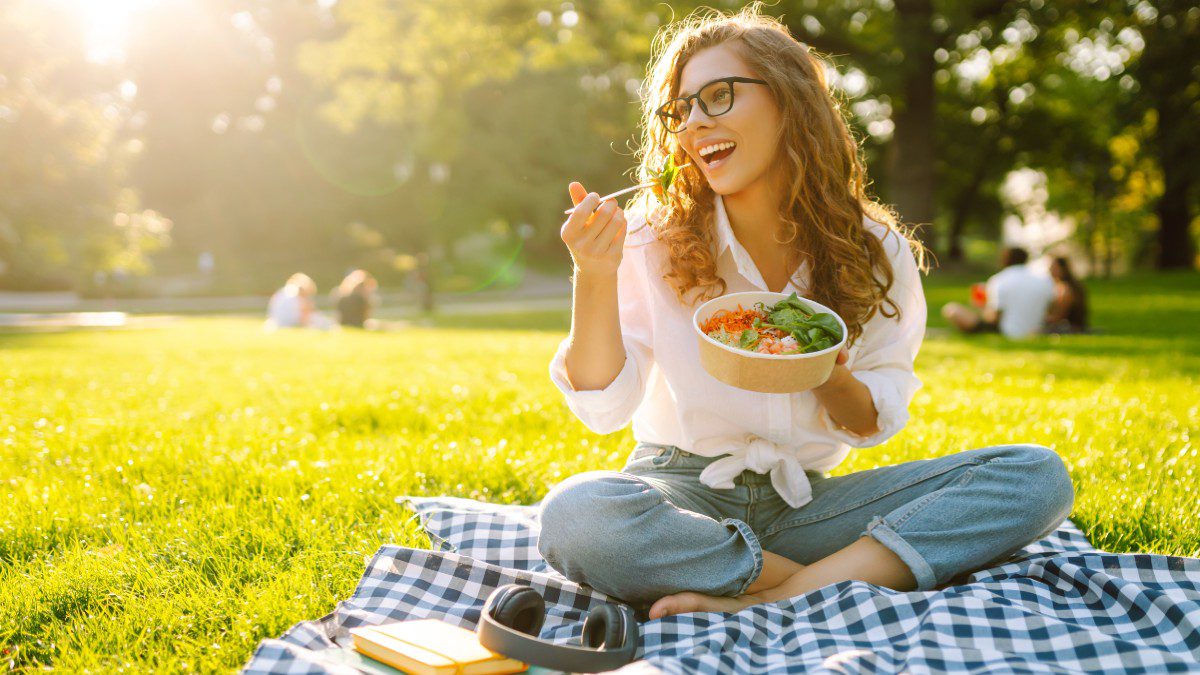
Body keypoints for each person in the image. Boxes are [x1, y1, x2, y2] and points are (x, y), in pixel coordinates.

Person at [537, 4, 1074, 621]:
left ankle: (778, 595)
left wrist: (824, 370)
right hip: (681, 497)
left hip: (809, 507)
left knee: (1037, 476)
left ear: (790, 100)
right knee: (577, 516)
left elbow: (870, 423)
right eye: (681, 110)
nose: (693, 124)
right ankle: (826, 584)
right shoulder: (647, 237)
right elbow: (604, 410)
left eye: (718, 96)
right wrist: (594, 275)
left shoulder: (873, 248)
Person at [941, 247, 1056, 339]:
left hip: (1005, 331)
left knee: (951, 309)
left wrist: (980, 306)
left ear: (1004, 260)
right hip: (1036, 331)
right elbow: (1051, 310)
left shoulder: (999, 280)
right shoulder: (1044, 280)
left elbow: (993, 318)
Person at [265, 273, 331, 330]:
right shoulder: (299, 293)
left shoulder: (281, 291)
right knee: (317, 319)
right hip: (290, 322)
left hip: (276, 322)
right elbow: (305, 315)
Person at [1043, 256, 1089, 334]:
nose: (1050, 271)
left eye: (1054, 268)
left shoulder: (1065, 289)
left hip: (1069, 328)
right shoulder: (1066, 286)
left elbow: (1058, 316)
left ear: (1063, 269)